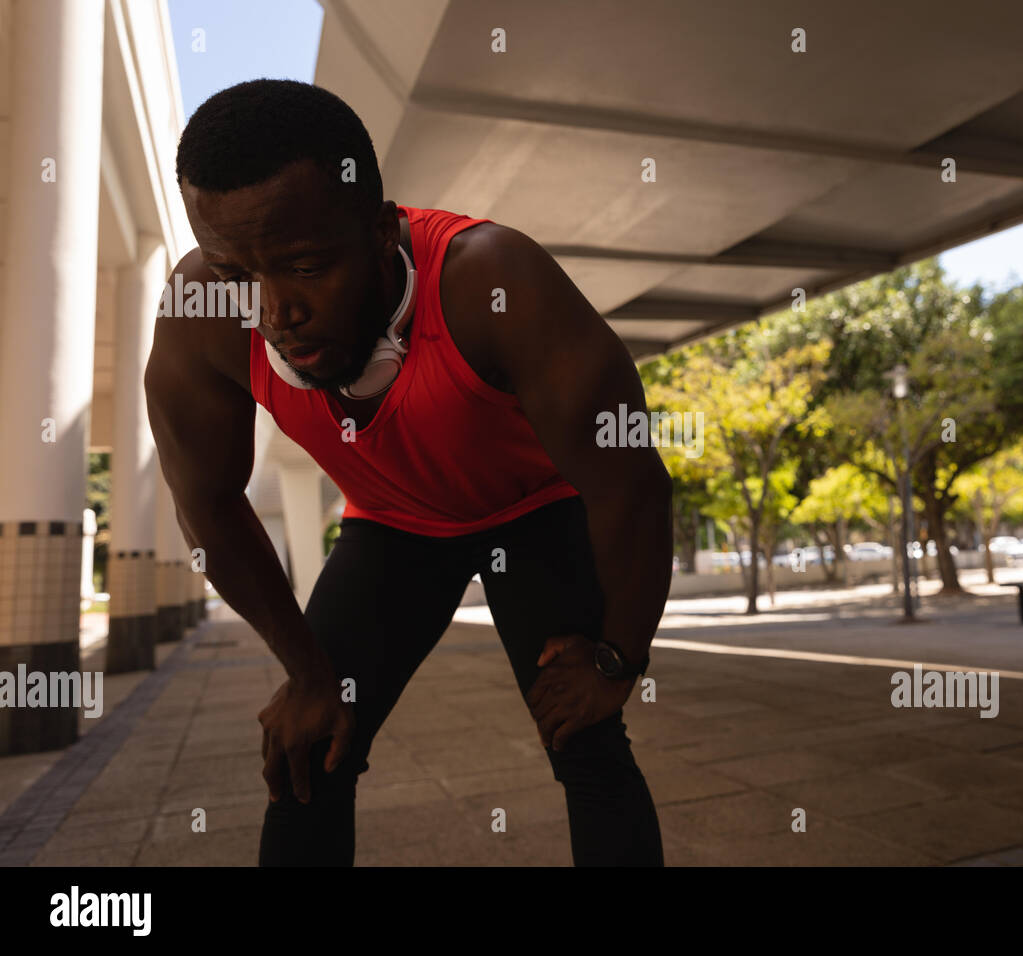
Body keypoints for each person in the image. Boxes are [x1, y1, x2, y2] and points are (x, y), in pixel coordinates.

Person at [145, 79, 672, 866]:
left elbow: (630, 484)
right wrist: (306, 674)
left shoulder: (495, 285)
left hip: (534, 509)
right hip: (393, 527)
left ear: (382, 228)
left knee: (587, 741)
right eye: (238, 275)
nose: (274, 311)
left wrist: (616, 658)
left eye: (306, 266)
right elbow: (210, 506)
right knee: (309, 755)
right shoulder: (203, 315)